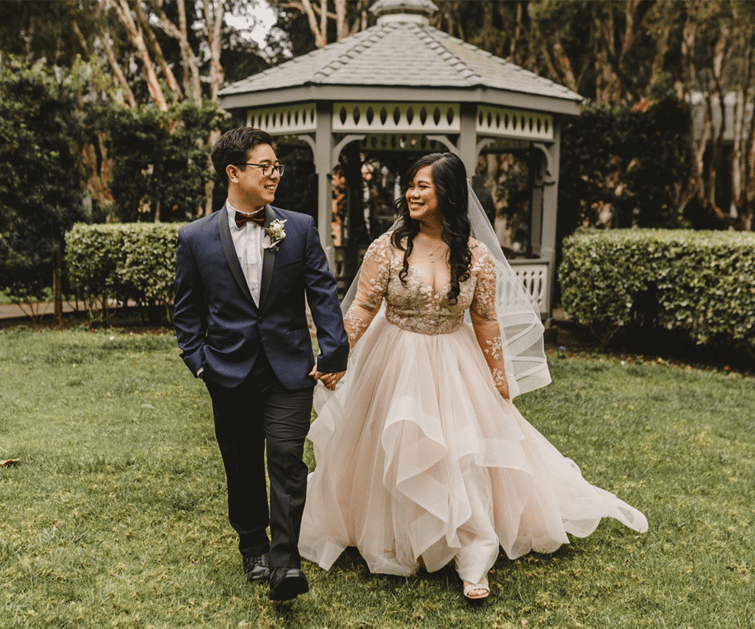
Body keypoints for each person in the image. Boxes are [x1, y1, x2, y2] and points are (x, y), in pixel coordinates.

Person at [300, 152, 647, 601]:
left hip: (453, 362)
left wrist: (499, 377)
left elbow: (485, 319)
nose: (412, 193)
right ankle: (392, 537)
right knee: (395, 444)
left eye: (423, 186)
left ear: (447, 192)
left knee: (458, 455)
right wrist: (336, 355)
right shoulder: (387, 248)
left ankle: (473, 556)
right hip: (393, 359)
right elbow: (364, 306)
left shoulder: (475, 255)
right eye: (411, 185)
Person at [173, 128, 348, 602]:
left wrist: (334, 351)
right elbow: (186, 312)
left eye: (277, 167)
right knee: (243, 463)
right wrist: (199, 363)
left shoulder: (300, 227)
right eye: (264, 166)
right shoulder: (194, 238)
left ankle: (285, 563)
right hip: (226, 372)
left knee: (288, 460)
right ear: (234, 173)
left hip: (289, 370)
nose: (274, 175)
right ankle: (253, 544)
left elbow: (322, 294)